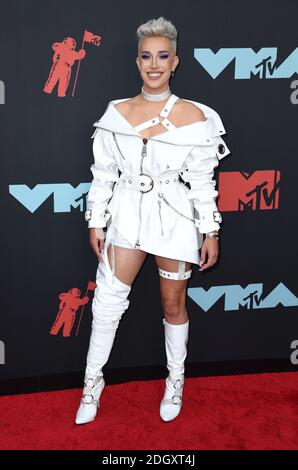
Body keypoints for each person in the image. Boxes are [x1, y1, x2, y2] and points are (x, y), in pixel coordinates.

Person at [75, 16, 230, 425]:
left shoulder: (196, 118)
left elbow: (201, 181)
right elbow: (103, 173)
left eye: (163, 56)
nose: (154, 64)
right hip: (126, 214)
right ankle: (91, 386)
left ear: (175, 62)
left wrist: (209, 229)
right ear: (137, 61)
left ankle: (174, 382)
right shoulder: (116, 113)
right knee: (107, 305)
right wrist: (96, 219)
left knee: (172, 303)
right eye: (146, 56)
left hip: (176, 218)